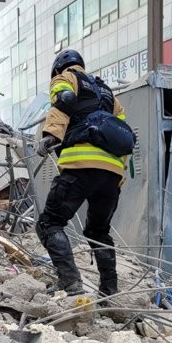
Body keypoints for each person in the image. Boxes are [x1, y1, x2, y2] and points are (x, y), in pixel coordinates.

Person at [34, 48, 129, 297]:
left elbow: (63, 100)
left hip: (79, 165)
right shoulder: (109, 94)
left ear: (58, 69)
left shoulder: (66, 77)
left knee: (50, 223)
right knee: (99, 232)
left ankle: (71, 284)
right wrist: (119, 176)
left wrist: (50, 136)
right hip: (111, 173)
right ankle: (109, 292)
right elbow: (123, 133)